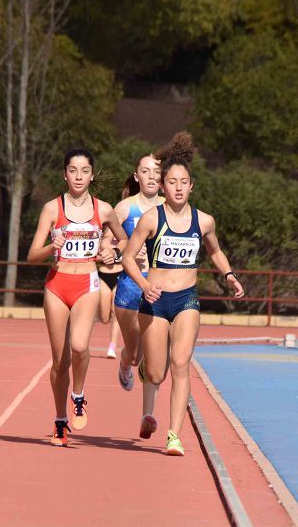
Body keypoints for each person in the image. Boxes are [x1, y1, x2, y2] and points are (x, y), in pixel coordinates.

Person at [121, 133, 244, 456]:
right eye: (171, 181)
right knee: (158, 372)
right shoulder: (151, 219)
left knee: (181, 363)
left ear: (192, 186)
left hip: (187, 299)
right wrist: (145, 285)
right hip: (155, 302)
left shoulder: (204, 221)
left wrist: (228, 274)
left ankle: (174, 434)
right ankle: (146, 368)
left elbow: (215, 252)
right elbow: (128, 257)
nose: (177, 187)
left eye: (183, 181)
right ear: (162, 186)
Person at [27, 147, 127, 446]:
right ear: (65, 174)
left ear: (92, 175)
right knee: (59, 361)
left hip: (87, 282)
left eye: (84, 171)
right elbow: (32, 255)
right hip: (57, 285)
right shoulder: (52, 209)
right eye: (73, 170)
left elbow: (124, 239)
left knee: (80, 346)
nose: (79, 176)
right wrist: (51, 246)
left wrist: (114, 251)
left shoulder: (104, 209)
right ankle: (60, 420)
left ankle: (79, 395)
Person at [112, 154, 164, 440]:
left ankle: (147, 414)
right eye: (146, 171)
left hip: (157, 290)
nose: (152, 176)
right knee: (134, 356)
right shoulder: (125, 208)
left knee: (151, 356)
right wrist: (121, 251)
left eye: (156, 171)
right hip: (130, 289)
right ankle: (123, 362)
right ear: (136, 176)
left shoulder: (170, 209)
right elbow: (108, 241)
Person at [97, 213, 124, 359]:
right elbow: (93, 252)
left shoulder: (124, 234)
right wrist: (103, 255)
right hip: (103, 274)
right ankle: (97, 313)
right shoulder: (102, 231)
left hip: (119, 273)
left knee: (116, 313)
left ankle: (112, 347)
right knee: (104, 318)